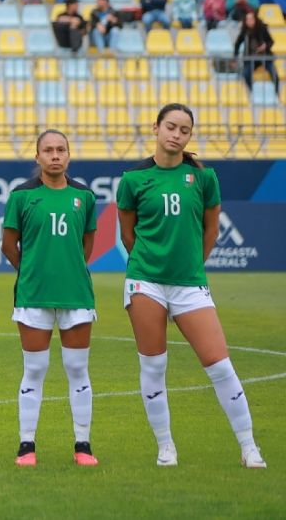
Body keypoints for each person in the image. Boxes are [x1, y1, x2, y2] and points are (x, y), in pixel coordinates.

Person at [119, 104, 267, 469]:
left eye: (184, 130)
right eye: (171, 127)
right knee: (154, 367)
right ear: (155, 128)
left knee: (220, 366)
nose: (176, 134)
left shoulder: (203, 178)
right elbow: (128, 235)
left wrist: (190, 267)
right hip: (145, 281)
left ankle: (249, 446)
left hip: (189, 284)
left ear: (189, 136)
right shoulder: (133, 179)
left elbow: (211, 229)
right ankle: (165, 447)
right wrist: (150, 265)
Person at [1, 130, 100, 468]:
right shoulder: (22, 196)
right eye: (48, 150)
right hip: (33, 295)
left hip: (76, 295)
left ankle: (83, 445)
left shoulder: (84, 196)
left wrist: (68, 270)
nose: (55, 155)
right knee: (34, 369)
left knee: (77, 369)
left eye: (61, 150)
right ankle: (26, 445)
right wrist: (33, 271)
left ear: (69, 155)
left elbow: (86, 246)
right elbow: (8, 245)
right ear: (38, 157)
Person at [235, 8, 280, 94]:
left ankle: (276, 93)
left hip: (264, 56)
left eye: (251, 19)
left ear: (255, 19)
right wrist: (235, 56)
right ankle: (253, 92)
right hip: (250, 58)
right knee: (246, 74)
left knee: (274, 73)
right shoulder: (244, 31)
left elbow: (271, 41)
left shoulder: (262, 28)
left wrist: (265, 46)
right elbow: (237, 44)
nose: (249, 21)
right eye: (247, 19)